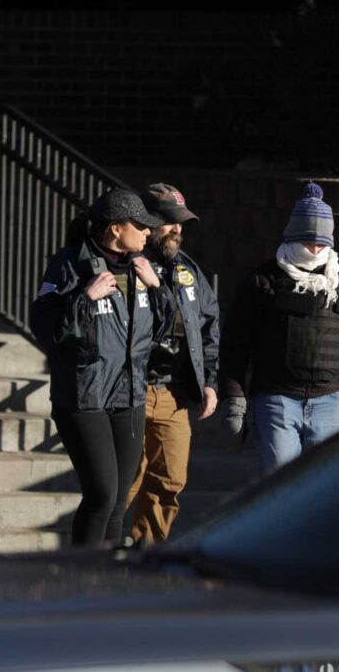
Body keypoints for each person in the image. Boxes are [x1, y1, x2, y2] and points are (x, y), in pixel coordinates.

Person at [29, 188, 170, 547]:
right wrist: (85, 298)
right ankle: (82, 578)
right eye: (139, 225)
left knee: (118, 500)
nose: (147, 232)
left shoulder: (145, 267)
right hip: (83, 397)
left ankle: (107, 574)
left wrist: (157, 289)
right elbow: (46, 328)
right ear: (115, 228)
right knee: (101, 495)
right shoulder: (69, 264)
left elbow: (170, 329)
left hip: (129, 396)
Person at [218, 182, 339, 473]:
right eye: (309, 241)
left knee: (325, 488)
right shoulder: (264, 280)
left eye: (323, 241)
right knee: (282, 485)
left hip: (331, 401)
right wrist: (234, 397)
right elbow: (236, 341)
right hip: (276, 400)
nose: (317, 248)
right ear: (294, 235)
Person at [124, 183, 220, 544]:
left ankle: (144, 552)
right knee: (126, 480)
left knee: (170, 480)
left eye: (181, 223)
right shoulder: (124, 265)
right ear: (148, 222)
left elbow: (210, 325)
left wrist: (209, 380)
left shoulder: (188, 272)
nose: (177, 229)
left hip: (173, 393)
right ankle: (96, 555)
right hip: (128, 388)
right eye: (170, 222)